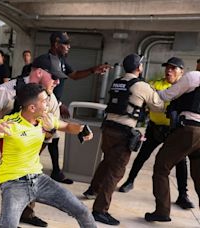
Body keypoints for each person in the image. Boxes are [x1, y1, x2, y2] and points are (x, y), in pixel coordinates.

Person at [0, 83, 97, 228]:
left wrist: (82, 129)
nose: (48, 104)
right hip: (13, 183)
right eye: (44, 101)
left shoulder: (44, 119)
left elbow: (67, 126)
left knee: (83, 211)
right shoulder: (10, 124)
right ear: (32, 108)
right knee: (8, 225)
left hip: (38, 179)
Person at [0, 53, 68, 228]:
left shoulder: (50, 99)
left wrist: (42, 141)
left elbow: (52, 130)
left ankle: (25, 214)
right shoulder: (8, 90)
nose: (58, 82)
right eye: (55, 77)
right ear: (40, 73)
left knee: (27, 178)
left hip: (23, 140)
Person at [84, 54, 164, 226]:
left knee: (107, 161)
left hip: (108, 128)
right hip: (123, 132)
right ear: (139, 67)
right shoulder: (142, 86)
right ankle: (100, 210)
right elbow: (158, 105)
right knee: (116, 171)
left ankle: (92, 190)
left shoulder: (117, 81)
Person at [118, 57, 194, 209]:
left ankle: (183, 195)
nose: (169, 70)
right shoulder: (155, 83)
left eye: (173, 68)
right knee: (142, 155)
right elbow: (147, 97)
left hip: (175, 131)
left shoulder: (185, 88)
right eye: (167, 67)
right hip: (155, 128)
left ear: (181, 72)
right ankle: (130, 181)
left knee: (181, 162)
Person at [46, 31, 110, 184]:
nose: (69, 47)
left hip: (54, 104)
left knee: (52, 138)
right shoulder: (47, 61)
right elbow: (43, 87)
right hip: (46, 105)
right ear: (56, 43)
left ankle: (55, 171)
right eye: (65, 43)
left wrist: (93, 70)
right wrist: (59, 104)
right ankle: (39, 169)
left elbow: (74, 75)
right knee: (46, 137)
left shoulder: (60, 60)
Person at [145, 70, 200, 222]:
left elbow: (167, 95)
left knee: (161, 167)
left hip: (189, 129)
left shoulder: (193, 76)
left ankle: (162, 211)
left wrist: (151, 90)